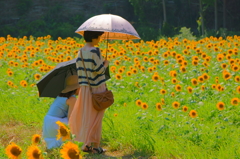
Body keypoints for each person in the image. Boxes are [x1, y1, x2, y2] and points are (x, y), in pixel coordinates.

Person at [69, 31, 109, 154]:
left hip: (85, 88)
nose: (100, 39)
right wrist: (105, 64)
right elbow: (98, 71)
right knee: (97, 116)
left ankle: (85, 144)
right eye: (99, 36)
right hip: (96, 87)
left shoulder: (80, 51)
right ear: (94, 37)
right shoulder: (95, 51)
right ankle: (95, 146)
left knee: (87, 115)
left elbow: (80, 69)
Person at [42, 75, 80, 149]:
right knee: (78, 121)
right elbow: (71, 118)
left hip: (47, 122)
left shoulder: (61, 95)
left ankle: (53, 146)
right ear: (76, 88)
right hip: (55, 123)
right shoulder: (72, 99)